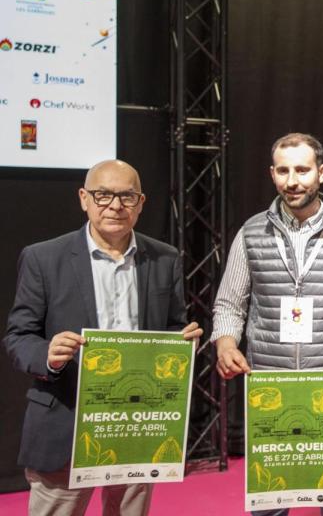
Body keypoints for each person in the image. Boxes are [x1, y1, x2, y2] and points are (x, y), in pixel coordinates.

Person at [211, 132, 323, 516]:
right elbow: (229, 303)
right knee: (267, 502)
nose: (292, 180)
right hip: (271, 388)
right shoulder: (250, 232)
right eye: (283, 170)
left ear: (321, 172)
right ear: (272, 174)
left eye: (302, 170)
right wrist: (226, 345)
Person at [5, 159, 202, 516]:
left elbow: (173, 327)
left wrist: (182, 344)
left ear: (141, 203)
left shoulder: (164, 258)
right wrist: (49, 353)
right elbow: (19, 336)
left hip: (138, 423)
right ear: (84, 199)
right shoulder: (43, 258)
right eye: (103, 195)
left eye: (127, 196)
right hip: (66, 418)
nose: (115, 205)